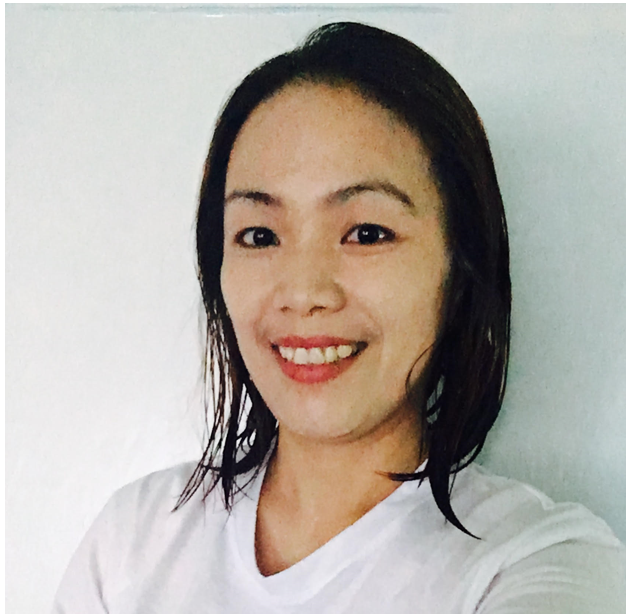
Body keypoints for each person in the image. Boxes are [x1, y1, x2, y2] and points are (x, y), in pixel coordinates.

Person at [53, 22, 624, 613]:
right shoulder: (132, 544)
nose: (304, 292)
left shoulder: (540, 561)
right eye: (259, 235)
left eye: (367, 232)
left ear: (459, 269)